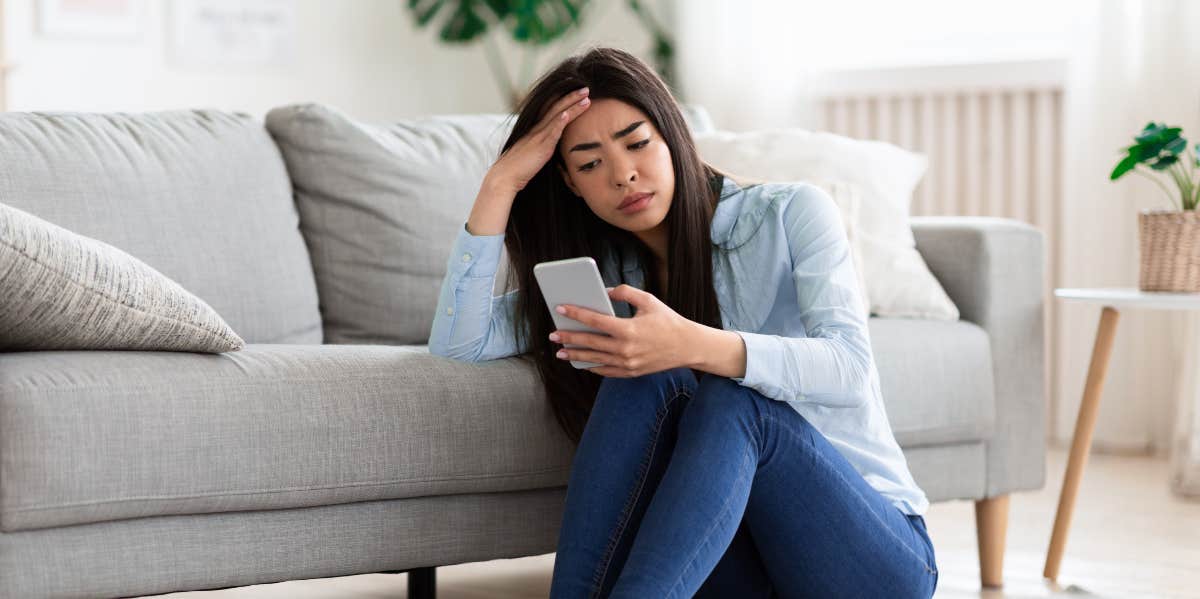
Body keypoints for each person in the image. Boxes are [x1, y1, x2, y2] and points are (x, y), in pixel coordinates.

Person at [428, 46, 937, 599]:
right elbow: (462, 344)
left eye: (637, 143)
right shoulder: (605, 280)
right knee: (639, 372)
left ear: (670, 134)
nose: (623, 174)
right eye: (590, 163)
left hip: (871, 560)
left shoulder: (792, 214)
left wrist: (691, 344)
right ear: (570, 183)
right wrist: (499, 184)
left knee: (736, 403)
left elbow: (850, 370)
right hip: (739, 561)